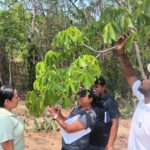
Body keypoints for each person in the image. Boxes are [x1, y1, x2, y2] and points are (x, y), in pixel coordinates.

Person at [116, 37, 150, 150]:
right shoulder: (142, 97)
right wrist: (121, 53)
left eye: (149, 77)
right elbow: (130, 74)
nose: (144, 77)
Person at [89, 77, 119, 150]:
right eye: (93, 87)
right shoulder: (91, 100)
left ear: (104, 87)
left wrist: (110, 145)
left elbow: (115, 124)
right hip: (89, 141)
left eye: (97, 87)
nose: (94, 89)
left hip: (102, 144)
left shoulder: (110, 102)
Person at [0, 86, 25, 150]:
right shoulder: (4, 118)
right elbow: (7, 147)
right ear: (7, 102)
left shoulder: (8, 114)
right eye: (16, 97)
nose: (19, 99)